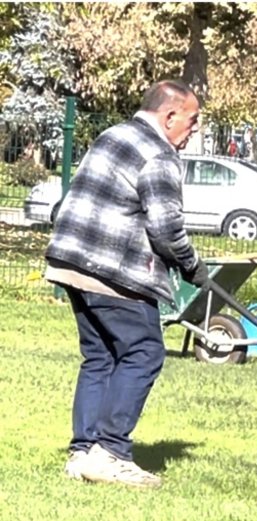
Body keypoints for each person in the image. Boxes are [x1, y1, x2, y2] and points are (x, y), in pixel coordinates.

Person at [43, 80, 206, 488]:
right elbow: (166, 228)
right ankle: (111, 451)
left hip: (71, 260)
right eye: (192, 121)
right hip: (113, 266)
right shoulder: (159, 153)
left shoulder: (112, 135)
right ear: (169, 116)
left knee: (99, 357)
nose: (194, 130)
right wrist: (192, 267)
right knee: (144, 351)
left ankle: (83, 453)